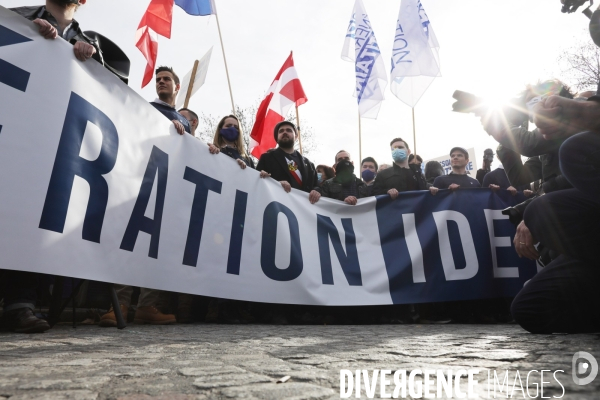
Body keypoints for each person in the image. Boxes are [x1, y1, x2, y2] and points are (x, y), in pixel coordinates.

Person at [3, 0, 111, 333]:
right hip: (12, 128)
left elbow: (111, 94)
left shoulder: (91, 43)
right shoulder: (18, 17)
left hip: (57, 145)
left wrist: (90, 60)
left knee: (36, 219)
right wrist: (25, 35)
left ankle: (21, 302)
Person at [257, 121, 321, 204]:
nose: (285, 132)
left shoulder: (308, 164)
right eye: (281, 131)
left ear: (296, 136)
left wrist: (316, 191)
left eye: (289, 130)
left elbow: (317, 186)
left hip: (304, 208)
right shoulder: (267, 158)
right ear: (277, 137)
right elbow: (258, 182)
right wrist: (276, 184)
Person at [373, 138, 438, 198]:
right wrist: (387, 192)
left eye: (400, 147)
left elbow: (424, 188)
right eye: (393, 149)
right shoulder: (383, 175)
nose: (396, 150)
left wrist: (430, 188)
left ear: (408, 151)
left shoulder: (417, 174)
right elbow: (374, 195)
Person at [150, 66, 191, 135]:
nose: (161, 81)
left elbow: (189, 145)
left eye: (166, 79)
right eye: (158, 80)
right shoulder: (145, 107)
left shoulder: (186, 123)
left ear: (177, 87)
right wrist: (168, 125)